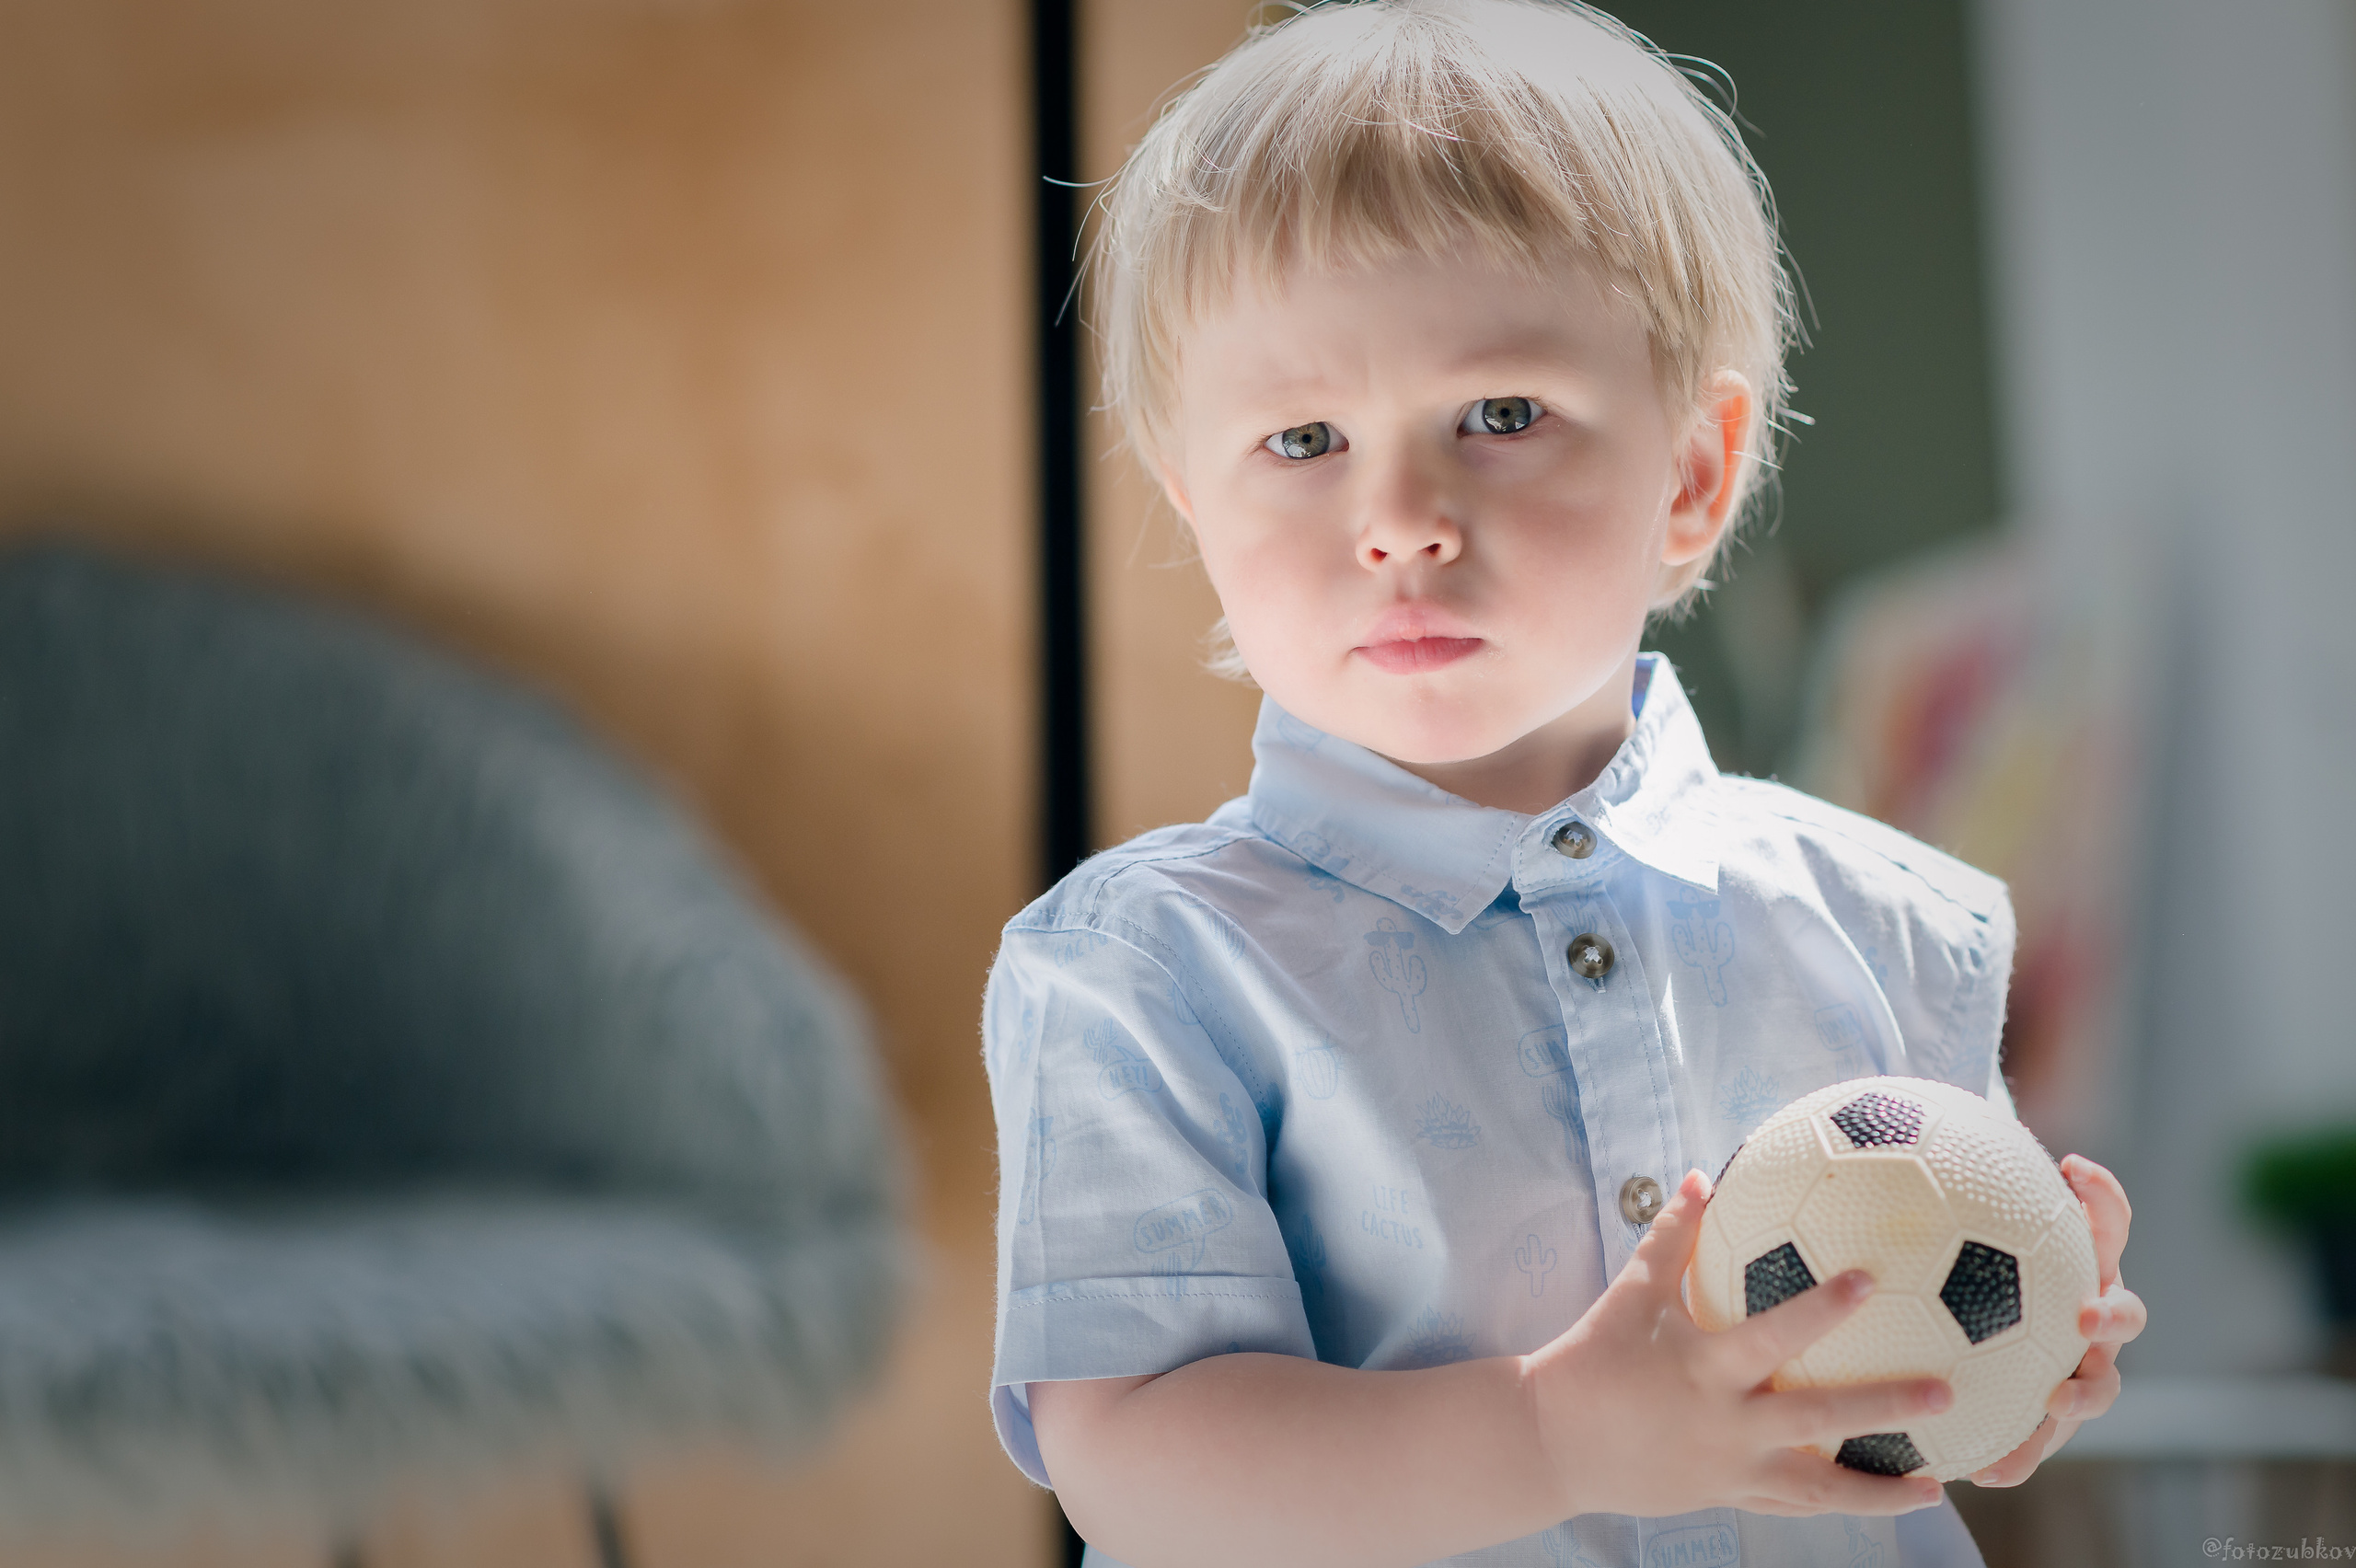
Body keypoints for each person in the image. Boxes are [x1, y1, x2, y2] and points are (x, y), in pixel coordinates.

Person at [980, 4, 2145, 1563]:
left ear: (1692, 472)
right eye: (1305, 437)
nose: (1398, 517)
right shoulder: (1140, 974)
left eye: (1501, 415)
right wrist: (1556, 1435)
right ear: (1196, 503)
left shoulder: (1890, 923)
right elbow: (1131, 1460)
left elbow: (1912, 1403)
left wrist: (2012, 1366)